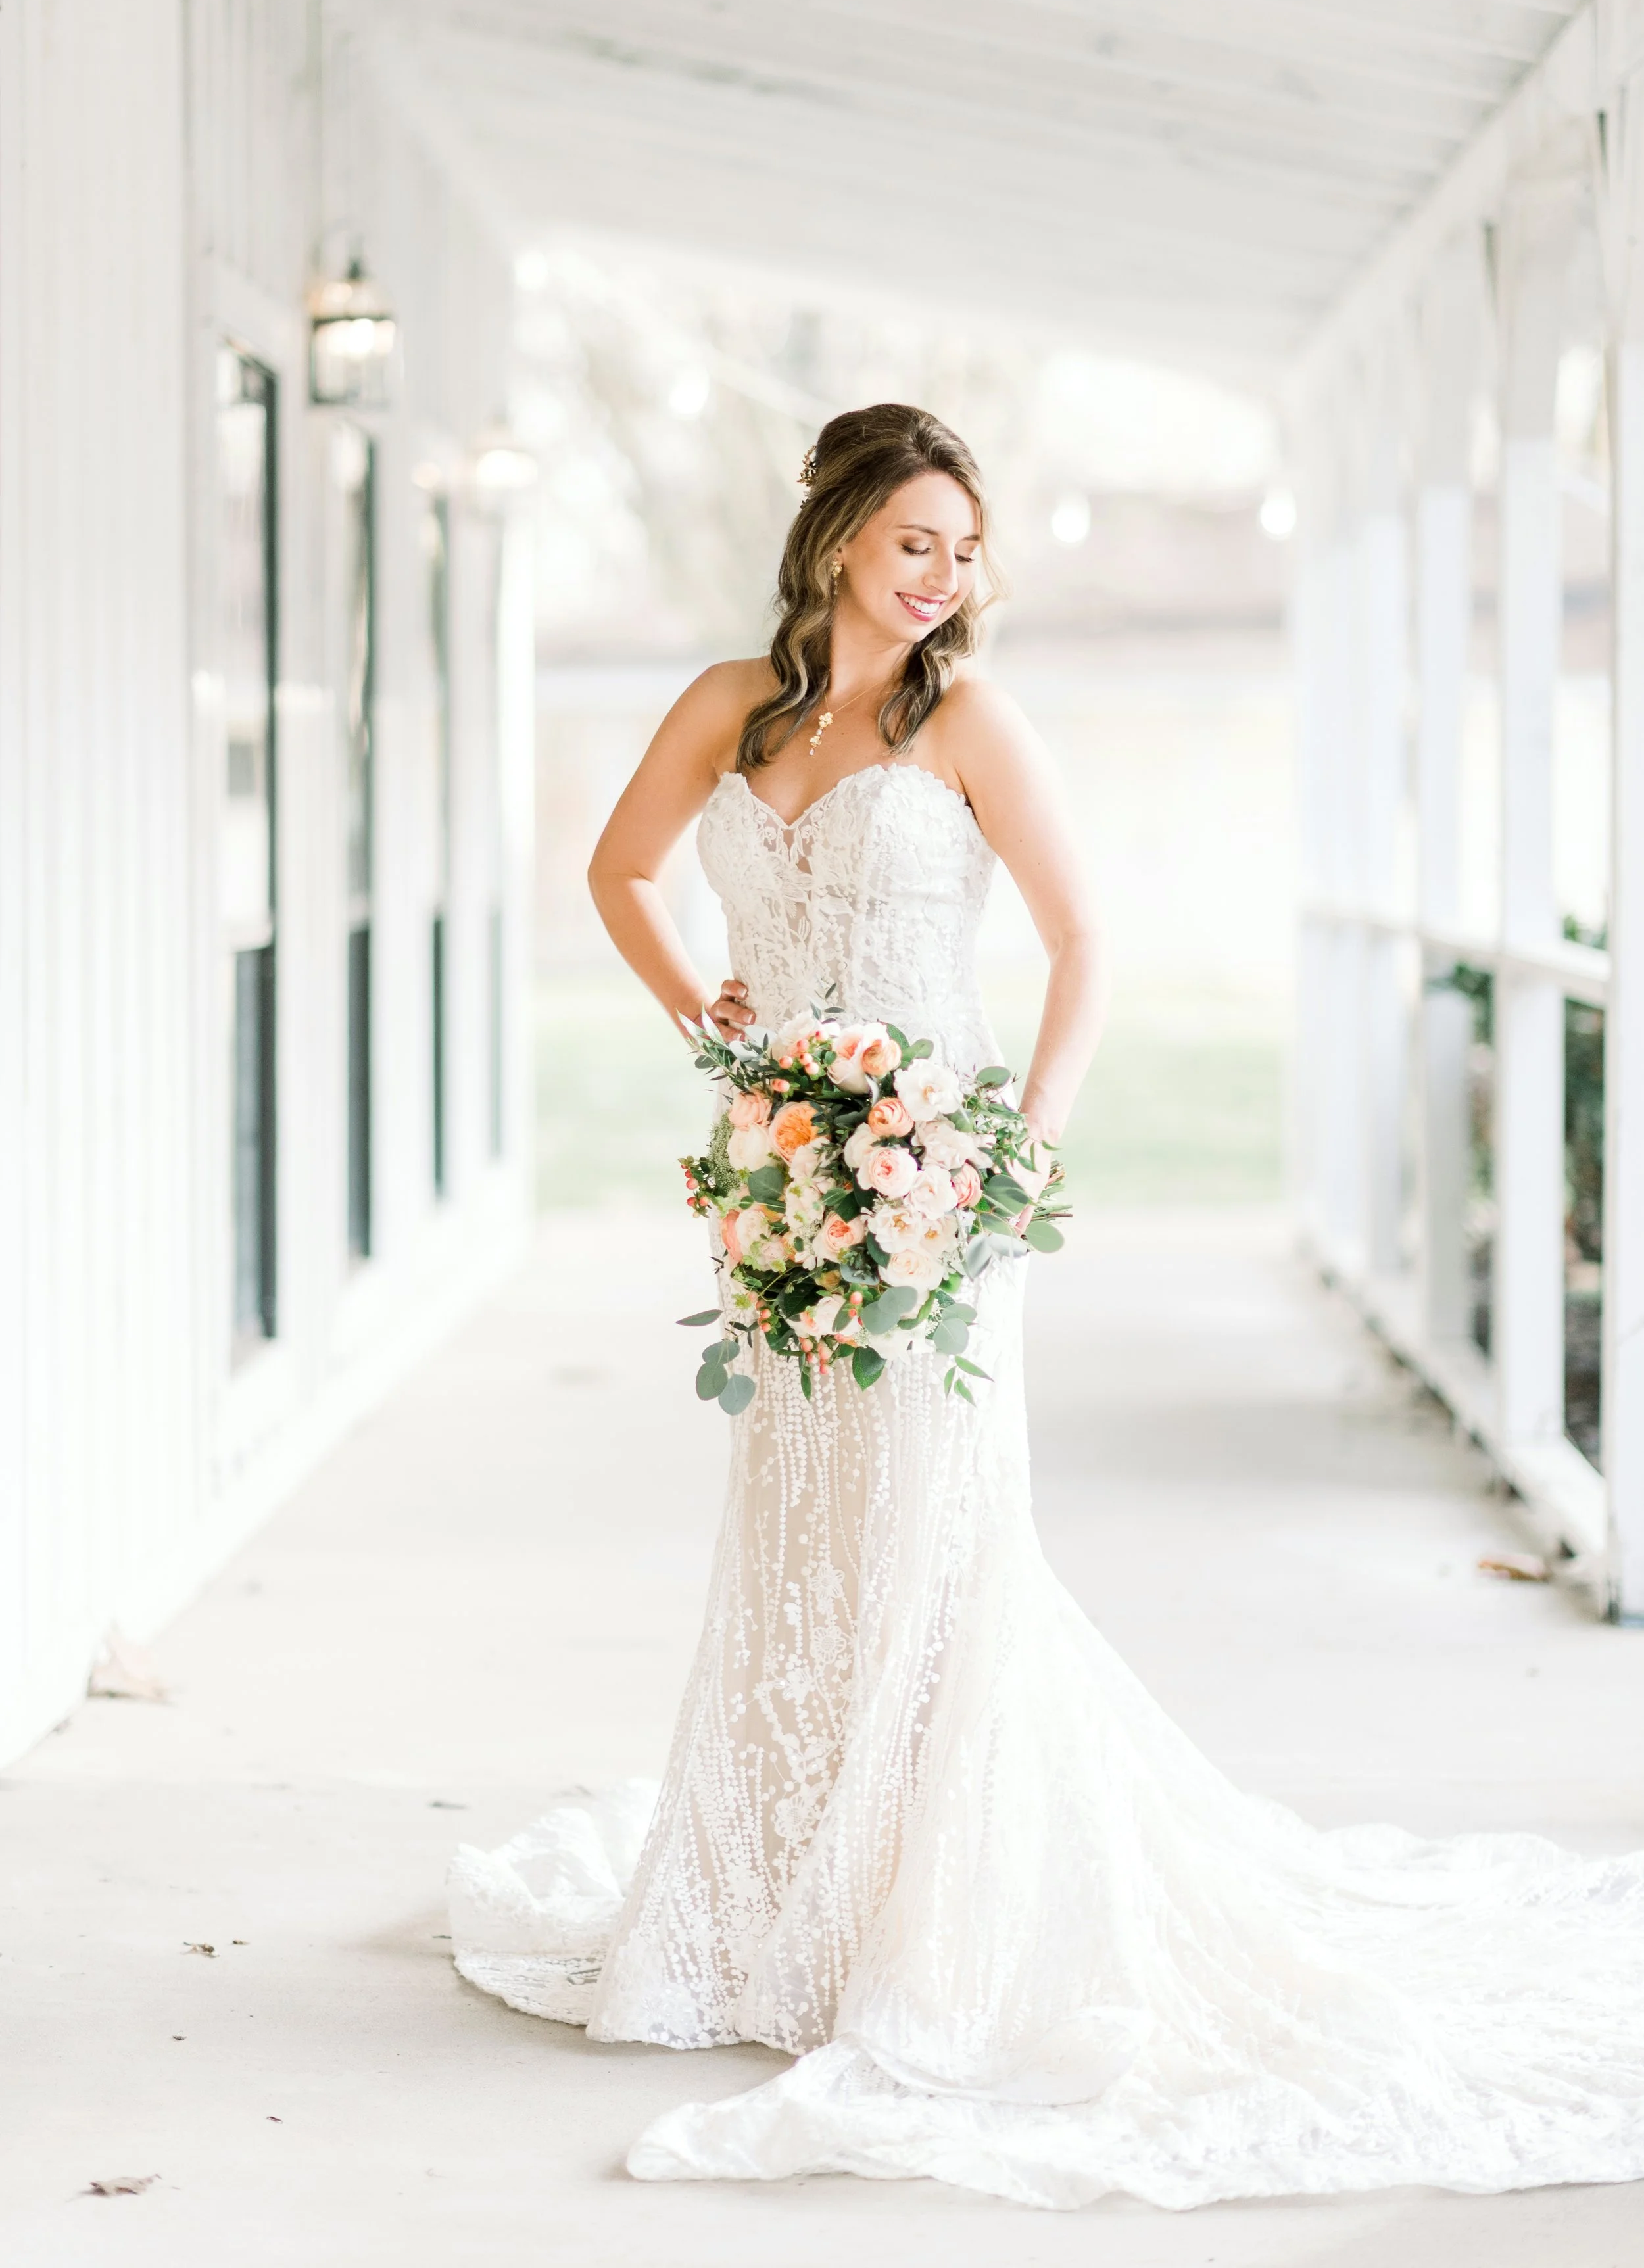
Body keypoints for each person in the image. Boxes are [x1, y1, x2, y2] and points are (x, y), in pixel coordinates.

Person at [450, 403, 1644, 2213]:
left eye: (964, 548)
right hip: (785, 1171)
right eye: (916, 538)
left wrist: (1023, 1150)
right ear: (843, 530)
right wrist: (722, 1039)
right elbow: (616, 870)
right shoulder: (727, 705)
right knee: (797, 1527)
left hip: (937, 1179)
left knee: (939, 1537)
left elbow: (1084, 941)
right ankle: (788, 1897)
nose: (944, 576)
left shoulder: (967, 722)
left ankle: (928, 1920)